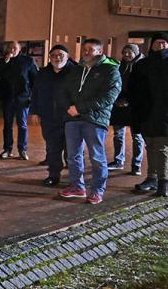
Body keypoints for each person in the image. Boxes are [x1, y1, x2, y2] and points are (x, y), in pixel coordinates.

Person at [58, 38, 121, 205]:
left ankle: (97, 190)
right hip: (72, 118)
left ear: (100, 51)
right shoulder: (76, 70)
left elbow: (108, 97)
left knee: (97, 157)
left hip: (95, 119)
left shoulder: (110, 70)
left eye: (90, 49)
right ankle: (77, 186)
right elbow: (63, 90)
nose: (86, 52)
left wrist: (80, 108)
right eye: (84, 49)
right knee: (73, 156)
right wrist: (69, 108)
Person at [30, 45, 75, 186]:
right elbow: (35, 92)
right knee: (52, 148)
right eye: (53, 55)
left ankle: (75, 179)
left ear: (67, 56)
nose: (57, 57)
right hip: (49, 117)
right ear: (49, 58)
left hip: (70, 118)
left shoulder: (75, 71)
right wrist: (34, 111)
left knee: (72, 150)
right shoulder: (43, 73)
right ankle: (53, 175)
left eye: (61, 55)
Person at [129, 32, 168, 197]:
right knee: (150, 145)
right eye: (157, 42)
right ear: (152, 44)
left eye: (164, 43)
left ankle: (164, 181)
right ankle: (152, 177)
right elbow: (133, 87)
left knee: (162, 147)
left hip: (164, 113)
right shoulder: (143, 64)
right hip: (146, 113)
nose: (160, 45)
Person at [0, 41, 38, 160]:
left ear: (19, 49)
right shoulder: (2, 61)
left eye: (15, 48)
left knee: (22, 124)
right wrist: (5, 62)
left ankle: (22, 150)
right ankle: (7, 149)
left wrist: (32, 97)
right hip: (7, 97)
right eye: (10, 48)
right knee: (7, 124)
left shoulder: (28, 61)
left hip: (23, 98)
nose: (12, 50)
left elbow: (35, 79)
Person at [108, 44, 145, 175]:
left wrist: (129, 100)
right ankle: (118, 160)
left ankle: (136, 164)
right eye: (125, 52)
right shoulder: (119, 66)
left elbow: (142, 88)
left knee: (137, 136)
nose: (127, 54)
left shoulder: (142, 66)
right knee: (118, 134)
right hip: (119, 104)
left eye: (130, 52)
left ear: (136, 52)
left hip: (135, 105)